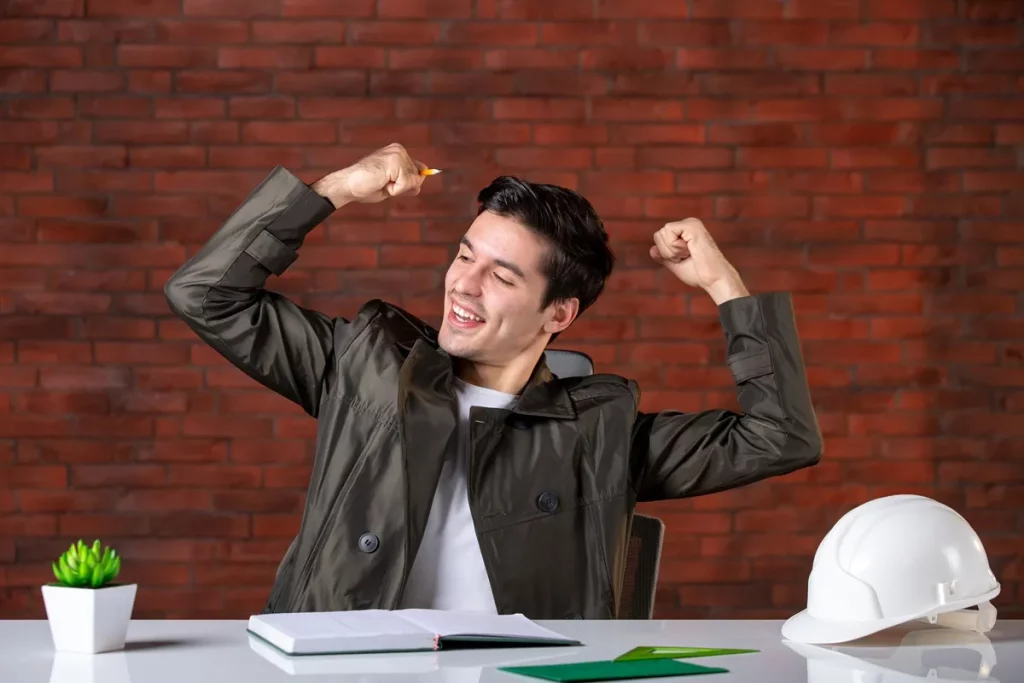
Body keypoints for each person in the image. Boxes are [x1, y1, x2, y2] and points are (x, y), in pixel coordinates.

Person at [165, 143, 822, 619]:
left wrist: (722, 284)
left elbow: (781, 435)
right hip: (341, 668)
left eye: (502, 276)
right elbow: (205, 295)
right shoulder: (364, 363)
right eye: (463, 255)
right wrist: (335, 187)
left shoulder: (597, 428)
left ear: (558, 314)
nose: (463, 285)